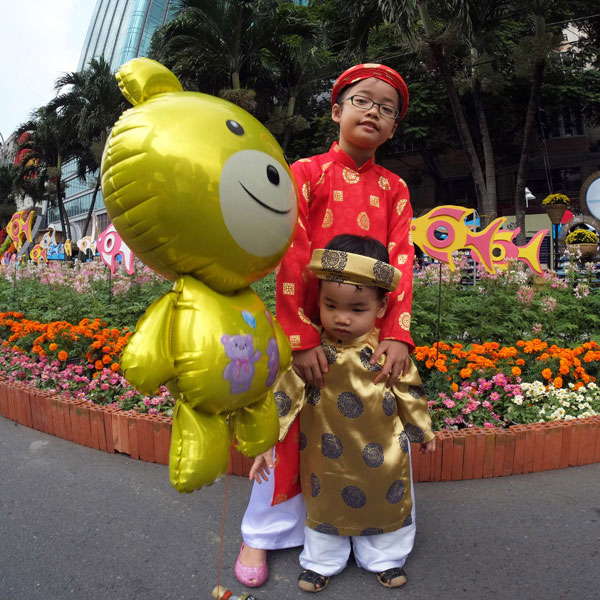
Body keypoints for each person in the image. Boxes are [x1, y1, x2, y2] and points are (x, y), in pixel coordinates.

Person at [236, 63, 418, 588]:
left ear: (392, 128)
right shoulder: (306, 172)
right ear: (337, 110)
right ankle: (262, 533)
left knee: (374, 428)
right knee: (289, 426)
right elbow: (292, 258)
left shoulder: (396, 188)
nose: (374, 113)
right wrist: (299, 340)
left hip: (367, 336)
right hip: (312, 333)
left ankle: (373, 534)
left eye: (387, 109)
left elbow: (402, 260)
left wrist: (397, 334)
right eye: (363, 101)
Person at [258, 234, 436, 592]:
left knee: (383, 496)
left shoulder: (386, 353)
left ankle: (385, 557)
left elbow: (409, 392)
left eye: (357, 310)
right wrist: (266, 442)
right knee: (324, 499)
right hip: (326, 449)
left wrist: (423, 431)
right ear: (318, 300)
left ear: (381, 308)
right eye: (331, 305)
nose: (341, 319)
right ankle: (322, 560)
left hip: (382, 448)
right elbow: (283, 396)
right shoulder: (312, 355)